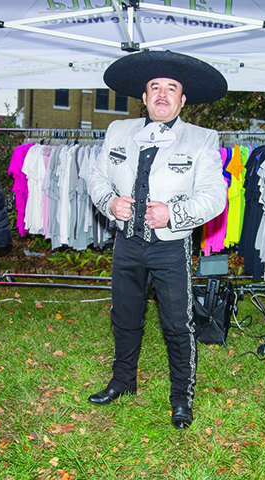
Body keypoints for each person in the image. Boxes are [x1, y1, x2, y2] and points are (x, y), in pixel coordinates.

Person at [85, 50, 228, 429]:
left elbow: (215, 197)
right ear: (145, 97)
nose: (162, 94)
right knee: (124, 316)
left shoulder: (202, 139)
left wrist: (174, 214)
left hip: (170, 245)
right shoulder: (118, 130)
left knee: (178, 324)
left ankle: (181, 397)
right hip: (127, 243)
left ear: (182, 100)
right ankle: (122, 381)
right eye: (155, 87)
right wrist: (109, 202)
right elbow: (96, 176)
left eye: (171, 88)